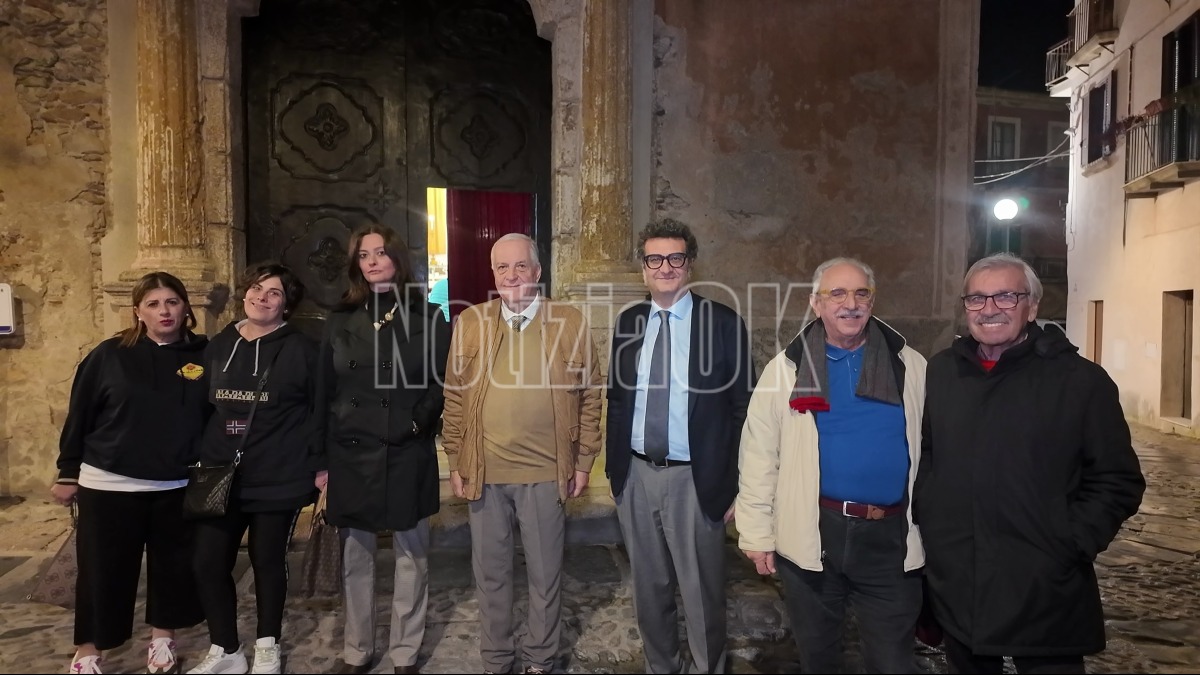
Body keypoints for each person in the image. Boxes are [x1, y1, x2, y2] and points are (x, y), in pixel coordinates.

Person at [915, 253, 1146, 674]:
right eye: (977, 298)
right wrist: (932, 517)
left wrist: (1069, 542)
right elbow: (930, 451)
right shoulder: (944, 372)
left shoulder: (1080, 381)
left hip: (1044, 584)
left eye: (1006, 296)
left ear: (1032, 307)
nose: (989, 309)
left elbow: (1117, 479)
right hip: (960, 578)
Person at [737, 257, 927, 673]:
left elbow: (930, 446)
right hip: (815, 531)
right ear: (816, 303)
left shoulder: (909, 365)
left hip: (889, 537)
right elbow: (759, 454)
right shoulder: (786, 370)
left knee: (893, 663)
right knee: (819, 658)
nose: (850, 304)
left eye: (861, 293)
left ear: (872, 301)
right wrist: (756, 531)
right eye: (836, 293)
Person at [441, 232, 602, 675]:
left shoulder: (569, 322)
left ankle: (539, 659)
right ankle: (496, 660)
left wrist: (584, 460)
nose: (511, 275)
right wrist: (455, 460)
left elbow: (591, 394)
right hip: (485, 472)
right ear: (493, 273)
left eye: (520, 266)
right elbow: (454, 395)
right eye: (502, 267)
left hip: (546, 473)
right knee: (490, 575)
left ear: (537, 271)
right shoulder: (471, 321)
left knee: (545, 576)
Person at [605, 219, 755, 674]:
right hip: (636, 475)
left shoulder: (723, 324)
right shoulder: (629, 323)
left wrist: (739, 484)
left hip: (696, 479)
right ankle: (662, 667)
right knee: (649, 592)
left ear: (690, 265)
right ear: (643, 268)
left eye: (675, 258)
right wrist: (615, 472)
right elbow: (617, 400)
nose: (665, 267)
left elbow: (743, 408)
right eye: (655, 259)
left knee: (702, 594)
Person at [51, 271, 210, 675]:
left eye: (172, 302)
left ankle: (162, 640)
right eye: (153, 304)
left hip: (176, 483)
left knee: (171, 568)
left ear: (186, 306)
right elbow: (80, 414)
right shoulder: (109, 354)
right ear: (138, 311)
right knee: (102, 572)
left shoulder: (205, 355)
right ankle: (88, 650)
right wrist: (68, 471)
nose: (164, 311)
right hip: (109, 482)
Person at [316, 224, 451, 675]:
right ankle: (357, 649)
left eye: (380, 252)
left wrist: (416, 421)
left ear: (397, 257)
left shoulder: (429, 316)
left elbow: (441, 382)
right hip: (351, 450)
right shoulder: (339, 318)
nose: (372, 261)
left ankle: (405, 652)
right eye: (363, 255)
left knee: (413, 554)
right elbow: (323, 391)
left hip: (406, 448)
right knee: (356, 557)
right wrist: (320, 460)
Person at [187, 263, 320, 674]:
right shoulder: (219, 344)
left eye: (274, 293)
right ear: (245, 292)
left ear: (286, 304)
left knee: (267, 560)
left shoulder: (303, 349)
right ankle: (226, 648)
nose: (262, 297)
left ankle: (267, 645)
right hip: (221, 474)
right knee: (208, 562)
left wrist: (321, 465)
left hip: (278, 473)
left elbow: (319, 411)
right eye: (257, 288)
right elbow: (199, 405)